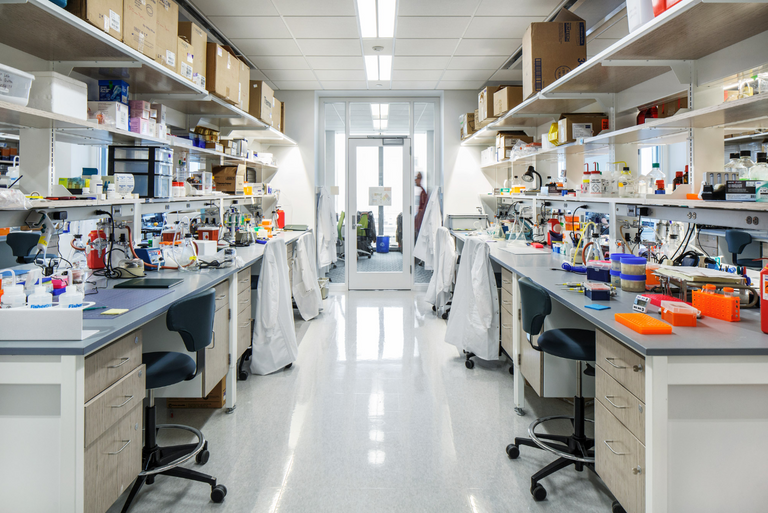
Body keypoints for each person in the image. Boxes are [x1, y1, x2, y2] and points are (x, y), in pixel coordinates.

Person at [414, 172, 428, 240]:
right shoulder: (420, 191)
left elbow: (421, 210)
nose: (415, 180)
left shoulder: (423, 193)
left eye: (417, 178)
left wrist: (417, 223)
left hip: (420, 223)